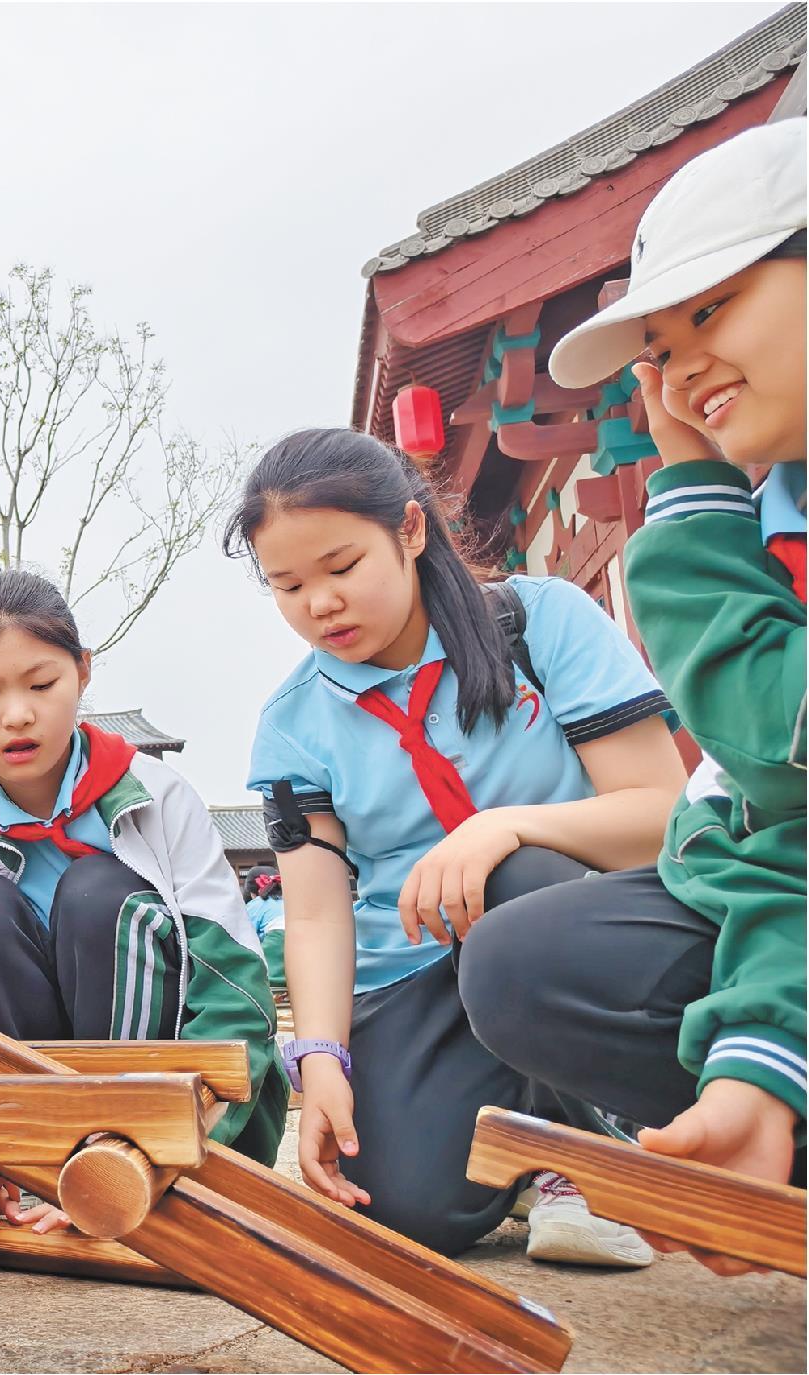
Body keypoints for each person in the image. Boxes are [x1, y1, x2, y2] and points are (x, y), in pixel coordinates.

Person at [472, 117, 806, 1276]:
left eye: (710, 311)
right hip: (778, 903)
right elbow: (781, 831)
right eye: (658, 346)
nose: (677, 372)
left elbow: (769, 744)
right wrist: (759, 1061)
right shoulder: (779, 516)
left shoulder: (716, 526)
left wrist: (694, 499)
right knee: (525, 963)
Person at [230, 426, 689, 1263]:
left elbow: (660, 810)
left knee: (515, 876)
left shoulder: (536, 622)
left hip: (558, 931)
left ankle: (581, 1156)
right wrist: (321, 1057)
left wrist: (502, 823)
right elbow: (319, 914)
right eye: (287, 584)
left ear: (409, 530)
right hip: (412, 978)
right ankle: (514, 1146)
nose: (319, 604)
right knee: (406, 1210)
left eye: (340, 567)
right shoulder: (292, 723)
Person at [0, 570, 290, 1233]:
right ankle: (17, 1169)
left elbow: (234, 987)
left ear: (82, 672)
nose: (15, 714)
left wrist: (162, 1147)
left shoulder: (156, 797)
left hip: (168, 1127)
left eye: (41, 684)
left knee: (98, 894)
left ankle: (111, 1156)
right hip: (15, 1147)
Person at [241, 864, 286, 993]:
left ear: (251, 893)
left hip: (274, 954)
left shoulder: (256, 904)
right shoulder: (291, 901)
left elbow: (246, 939)